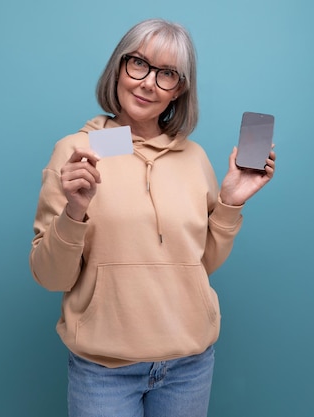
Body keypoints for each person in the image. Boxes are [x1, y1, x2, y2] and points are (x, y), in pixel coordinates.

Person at [29, 18, 276, 417]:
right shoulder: (78, 153)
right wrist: (74, 212)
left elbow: (200, 266)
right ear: (119, 67)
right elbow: (51, 277)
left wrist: (229, 203)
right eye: (139, 64)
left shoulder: (193, 159)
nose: (148, 83)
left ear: (180, 89)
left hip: (188, 366)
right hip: (104, 371)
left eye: (167, 75)